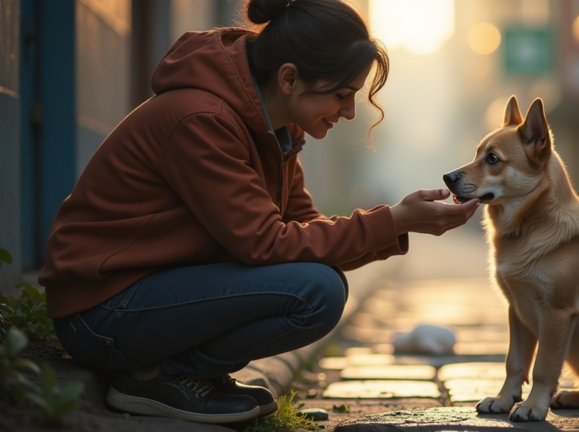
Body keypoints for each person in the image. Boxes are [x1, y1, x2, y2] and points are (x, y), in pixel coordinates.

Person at [39, 0, 479, 424]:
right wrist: (393, 221)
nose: (349, 112)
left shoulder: (274, 131)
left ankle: (186, 373)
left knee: (318, 284)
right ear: (289, 78)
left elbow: (306, 233)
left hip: (146, 298)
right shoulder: (201, 119)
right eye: (342, 95)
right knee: (316, 292)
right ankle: (160, 377)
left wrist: (398, 224)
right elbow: (266, 243)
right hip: (101, 312)